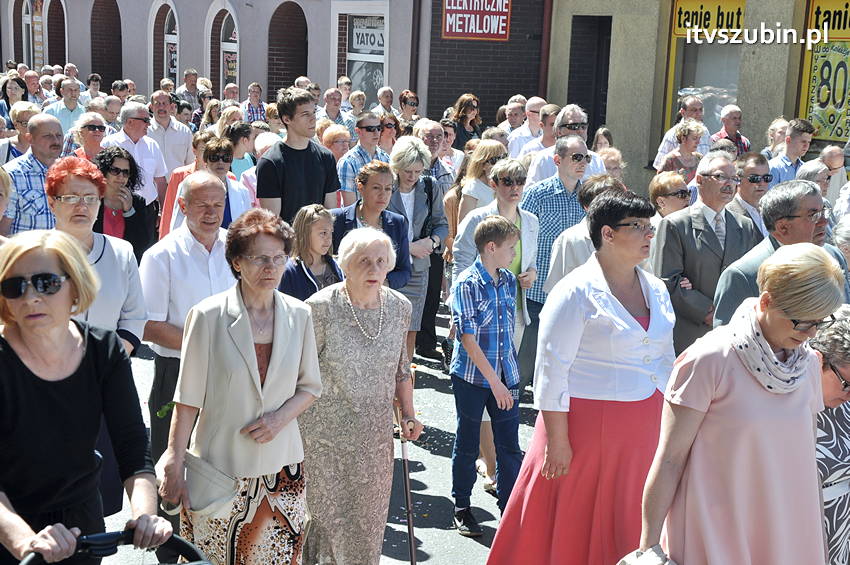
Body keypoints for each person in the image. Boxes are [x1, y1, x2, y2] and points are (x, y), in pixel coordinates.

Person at [488, 191, 676, 564]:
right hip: (583, 427)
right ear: (607, 233)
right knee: (572, 523)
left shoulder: (656, 287)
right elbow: (550, 370)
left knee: (632, 519)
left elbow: (664, 357)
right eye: (637, 227)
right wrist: (557, 441)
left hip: (645, 425)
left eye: (649, 227)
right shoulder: (574, 290)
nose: (648, 235)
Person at [637, 243, 844, 565]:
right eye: (802, 322)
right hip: (715, 529)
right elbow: (670, 459)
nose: (811, 333)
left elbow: (801, 459)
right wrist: (647, 547)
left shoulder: (807, 365)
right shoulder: (708, 359)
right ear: (766, 301)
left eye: (820, 322)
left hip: (786, 530)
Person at [158, 207, 321, 565]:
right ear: (236, 262)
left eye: (279, 258)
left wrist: (279, 418)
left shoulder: (299, 314)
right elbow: (187, 398)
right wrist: (174, 459)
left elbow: (310, 386)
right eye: (260, 258)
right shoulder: (207, 315)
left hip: (282, 472)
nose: (270, 267)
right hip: (221, 469)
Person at [0, 229, 172, 565]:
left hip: (81, 525)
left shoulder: (103, 349)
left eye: (46, 283)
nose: (31, 297)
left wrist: (145, 514)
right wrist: (25, 543)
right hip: (9, 527)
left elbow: (132, 446)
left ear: (75, 286)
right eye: (14, 286)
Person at [301, 227, 423, 565]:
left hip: (374, 439)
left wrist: (409, 414)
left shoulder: (399, 307)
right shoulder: (319, 309)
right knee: (323, 525)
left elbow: (401, 369)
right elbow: (299, 375)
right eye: (363, 261)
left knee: (366, 525)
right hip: (322, 440)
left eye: (381, 262)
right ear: (344, 264)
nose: (373, 269)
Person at [139, 172, 237, 553]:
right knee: (174, 471)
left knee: (223, 465)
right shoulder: (160, 256)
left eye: (218, 204)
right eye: (202, 204)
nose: (212, 213)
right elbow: (148, 325)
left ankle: (219, 549)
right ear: (182, 206)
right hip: (176, 374)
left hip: (232, 373)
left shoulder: (237, 248)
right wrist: (206, 349)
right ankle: (173, 553)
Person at [446, 216, 524, 537]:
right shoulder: (466, 283)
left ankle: (510, 505)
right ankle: (462, 507)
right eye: (510, 248)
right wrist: (494, 382)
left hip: (506, 375)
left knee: (509, 445)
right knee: (467, 441)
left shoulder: (507, 280)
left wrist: (506, 379)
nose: (513, 253)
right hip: (473, 379)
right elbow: (467, 338)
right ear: (491, 247)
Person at [651, 150, 761, 354]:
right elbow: (667, 281)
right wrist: (708, 312)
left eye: (734, 178)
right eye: (720, 177)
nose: (729, 184)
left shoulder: (744, 225)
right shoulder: (676, 225)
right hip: (691, 334)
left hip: (735, 333)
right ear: (700, 180)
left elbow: (753, 275)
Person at [713, 180, 850, 326]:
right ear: (783, 227)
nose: (824, 221)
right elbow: (730, 341)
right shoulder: (743, 276)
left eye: (824, 211)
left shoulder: (833, 256)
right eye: (813, 215)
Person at [516, 135, 589, 388]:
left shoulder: (589, 198)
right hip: (538, 292)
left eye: (586, 157)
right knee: (524, 366)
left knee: (563, 366)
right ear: (557, 160)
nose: (583, 163)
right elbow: (520, 238)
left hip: (574, 296)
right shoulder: (537, 195)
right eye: (576, 157)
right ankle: (508, 414)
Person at [387, 136, 448, 360]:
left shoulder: (430, 186)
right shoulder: (386, 186)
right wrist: (408, 247)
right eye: (407, 171)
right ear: (397, 166)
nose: (412, 176)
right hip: (389, 268)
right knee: (388, 328)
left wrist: (431, 242)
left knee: (412, 328)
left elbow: (442, 225)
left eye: (417, 171)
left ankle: (405, 380)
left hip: (419, 269)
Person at [257, 87, 339, 224]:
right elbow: (273, 224)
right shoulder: (270, 162)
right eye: (305, 114)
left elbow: (329, 212)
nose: (313, 119)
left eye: (314, 112)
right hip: (287, 243)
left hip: (319, 241)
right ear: (287, 119)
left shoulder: (326, 157)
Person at [331, 160, 411, 290]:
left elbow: (404, 271)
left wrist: (382, 283)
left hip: (380, 297)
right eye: (376, 188)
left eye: (388, 189)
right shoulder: (336, 219)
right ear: (361, 187)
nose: (383, 194)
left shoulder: (397, 222)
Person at [809, 314, 850, 565]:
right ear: (819, 360)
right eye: (846, 384)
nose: (849, 396)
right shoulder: (783, 402)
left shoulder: (842, 403)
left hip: (841, 532)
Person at [543, 174, 627, 292]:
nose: (614, 210)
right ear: (587, 207)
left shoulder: (632, 235)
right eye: (606, 205)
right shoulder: (570, 239)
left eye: (618, 203)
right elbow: (557, 289)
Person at [100, 102, 168, 236]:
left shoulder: (152, 145)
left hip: (148, 211)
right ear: (130, 122)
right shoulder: (108, 144)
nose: (149, 124)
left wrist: (162, 211)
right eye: (146, 120)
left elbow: (160, 181)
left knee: (145, 252)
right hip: (116, 209)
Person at [169, 137, 252, 232]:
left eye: (226, 158)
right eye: (214, 158)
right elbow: (177, 221)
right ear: (205, 161)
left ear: (230, 161)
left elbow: (247, 225)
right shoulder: (189, 185)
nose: (220, 162)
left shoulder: (241, 190)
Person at [0, 114, 64, 235]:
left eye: (59, 135)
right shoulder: (12, 175)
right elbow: (3, 228)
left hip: (63, 251)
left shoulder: (69, 171)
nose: (56, 141)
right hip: (26, 252)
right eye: (48, 136)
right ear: (30, 138)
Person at [92, 147, 152, 262]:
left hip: (125, 268)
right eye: (115, 171)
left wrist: (129, 212)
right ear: (103, 171)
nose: (121, 177)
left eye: (125, 172)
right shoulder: (92, 200)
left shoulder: (138, 202)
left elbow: (142, 245)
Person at [526, 105, 607, 185]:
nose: (580, 131)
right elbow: (531, 194)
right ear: (559, 131)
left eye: (583, 126)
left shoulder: (596, 160)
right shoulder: (543, 159)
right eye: (573, 126)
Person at [280, 204, 343, 301]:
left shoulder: (339, 267)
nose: (329, 239)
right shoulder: (289, 272)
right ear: (305, 234)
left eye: (331, 232)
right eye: (323, 233)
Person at [159, 130, 215, 239]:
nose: (208, 154)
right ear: (194, 150)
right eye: (203, 149)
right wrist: (165, 241)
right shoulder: (178, 175)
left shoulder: (228, 177)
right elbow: (169, 211)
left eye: (211, 150)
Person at [337, 112, 390, 205]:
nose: (376, 133)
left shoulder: (386, 158)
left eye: (379, 128)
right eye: (370, 129)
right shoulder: (348, 162)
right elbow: (349, 207)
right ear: (358, 131)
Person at [652, 94, 712, 169]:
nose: (698, 113)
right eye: (694, 110)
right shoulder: (672, 133)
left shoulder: (705, 132)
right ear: (683, 112)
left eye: (700, 110)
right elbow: (659, 166)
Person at [457, 140, 508, 223]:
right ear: (482, 164)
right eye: (495, 159)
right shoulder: (473, 188)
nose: (501, 163)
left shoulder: (509, 184)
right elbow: (463, 225)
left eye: (504, 157)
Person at [147, 90, 194, 179]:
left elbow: (191, 162)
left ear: (171, 107)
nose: (161, 107)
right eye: (157, 104)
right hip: (153, 188)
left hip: (179, 186)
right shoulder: (145, 131)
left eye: (164, 103)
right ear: (151, 107)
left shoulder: (184, 131)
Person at [726, 151, 771, 237]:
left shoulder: (773, 211)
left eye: (766, 178)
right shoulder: (728, 214)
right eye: (755, 178)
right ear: (737, 179)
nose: (761, 183)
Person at [768, 118, 816, 188]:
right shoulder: (773, 167)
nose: (806, 146)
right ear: (788, 140)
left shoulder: (805, 168)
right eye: (803, 141)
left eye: (809, 142)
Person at [656, 118, 705, 183]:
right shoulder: (670, 160)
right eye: (694, 138)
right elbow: (659, 186)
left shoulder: (700, 158)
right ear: (683, 138)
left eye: (699, 138)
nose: (698, 142)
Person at [238, 131, 280, 208]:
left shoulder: (288, 172)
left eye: (273, 152)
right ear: (257, 155)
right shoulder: (247, 176)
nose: (270, 157)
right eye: (265, 153)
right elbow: (248, 208)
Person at [0, 101, 40, 165]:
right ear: (16, 125)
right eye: (25, 123)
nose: (31, 127)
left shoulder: (45, 146)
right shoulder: (3, 147)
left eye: (35, 123)